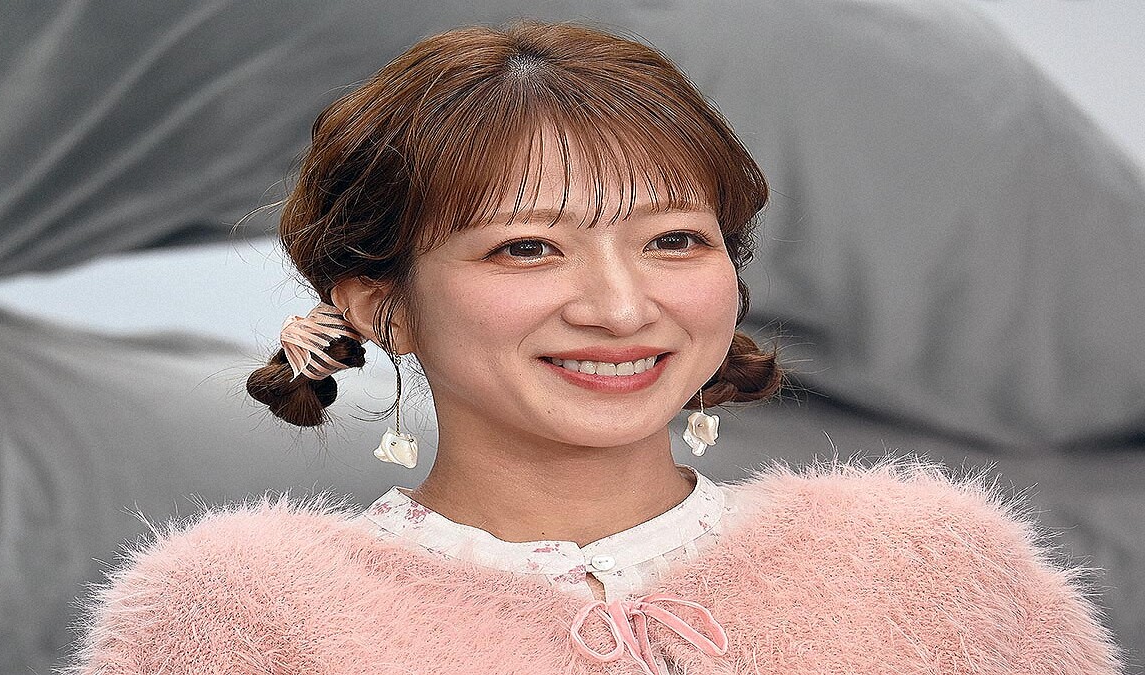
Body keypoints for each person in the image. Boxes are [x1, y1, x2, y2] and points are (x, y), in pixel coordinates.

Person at [69, 21, 1122, 674]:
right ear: (382, 308)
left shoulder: (927, 563)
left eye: (674, 241)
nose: (621, 308)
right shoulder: (244, 610)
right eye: (527, 247)